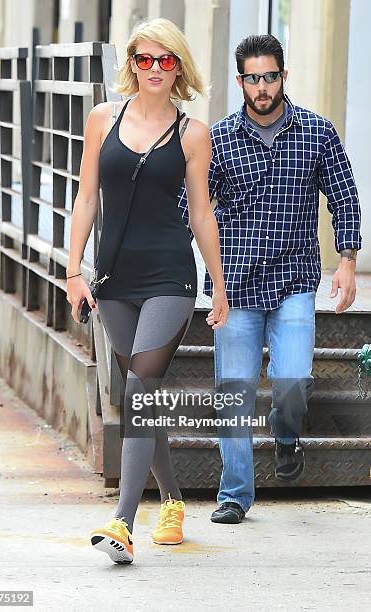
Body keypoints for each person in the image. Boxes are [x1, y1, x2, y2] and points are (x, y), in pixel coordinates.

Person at [178, 34, 362, 525]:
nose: (262, 87)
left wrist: (346, 260)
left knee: (293, 381)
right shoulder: (217, 140)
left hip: (295, 278)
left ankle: (286, 434)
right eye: (253, 78)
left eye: (270, 76)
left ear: (284, 76)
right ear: (241, 81)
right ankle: (235, 494)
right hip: (235, 283)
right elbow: (192, 208)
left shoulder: (317, 133)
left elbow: (344, 196)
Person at [66, 18, 229, 564]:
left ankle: (122, 521)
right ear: (131, 64)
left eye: (166, 60)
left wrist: (218, 284)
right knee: (144, 394)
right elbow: (87, 197)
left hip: (169, 278)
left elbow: (202, 213)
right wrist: (73, 271)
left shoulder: (192, 133)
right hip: (112, 277)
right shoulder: (101, 119)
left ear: (178, 67)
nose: (155, 69)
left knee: (140, 386)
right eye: (145, 59)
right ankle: (175, 501)